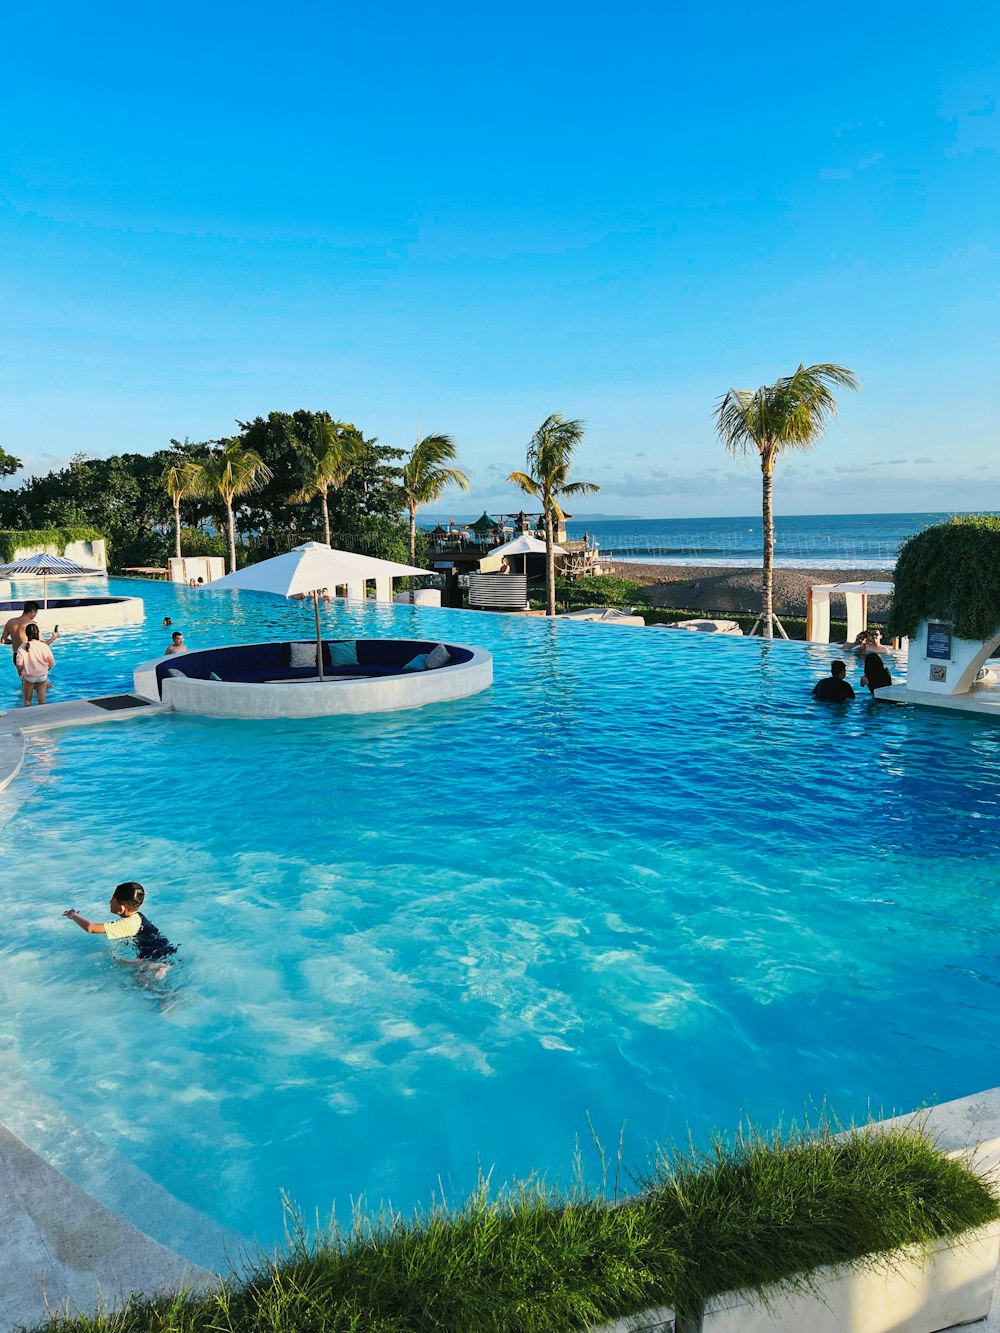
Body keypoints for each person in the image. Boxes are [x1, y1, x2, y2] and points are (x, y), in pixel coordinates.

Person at [64, 881, 176, 967]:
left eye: (112, 899)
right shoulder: (136, 917)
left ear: (122, 908)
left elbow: (91, 928)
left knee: (122, 968)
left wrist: (73, 915)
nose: (109, 902)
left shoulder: (127, 924)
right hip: (164, 952)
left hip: (156, 960)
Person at [2, 601, 58, 665]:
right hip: (29, 656)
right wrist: (53, 638)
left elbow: (3, 640)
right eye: (36, 613)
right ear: (32, 612)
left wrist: (15, 641)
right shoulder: (32, 625)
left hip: (17, 656)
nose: (35, 615)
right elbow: (42, 644)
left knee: (21, 674)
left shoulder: (10, 622)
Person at [15, 623, 56, 706]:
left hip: (29, 677)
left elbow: (19, 664)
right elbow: (51, 663)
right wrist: (45, 670)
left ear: (26, 634)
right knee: (42, 700)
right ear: (38, 633)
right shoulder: (44, 646)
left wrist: (20, 673)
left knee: (27, 700)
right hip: (42, 676)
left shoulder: (22, 647)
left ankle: (29, 717)